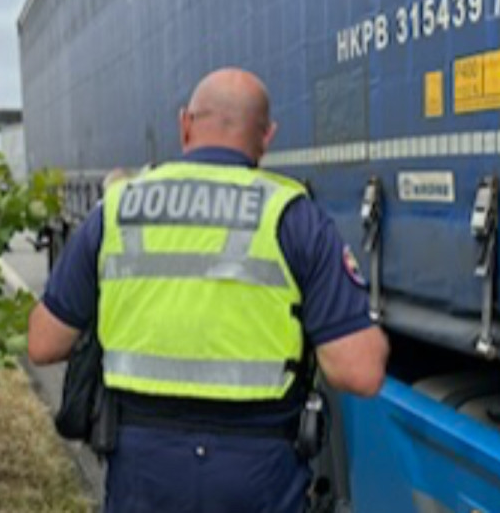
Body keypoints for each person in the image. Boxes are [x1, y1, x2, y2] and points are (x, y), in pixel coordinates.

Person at [27, 67, 389, 512]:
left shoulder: (118, 209)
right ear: (267, 136)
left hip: (143, 471)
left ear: (185, 124)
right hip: (258, 476)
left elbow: (44, 343)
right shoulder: (293, 216)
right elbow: (361, 371)